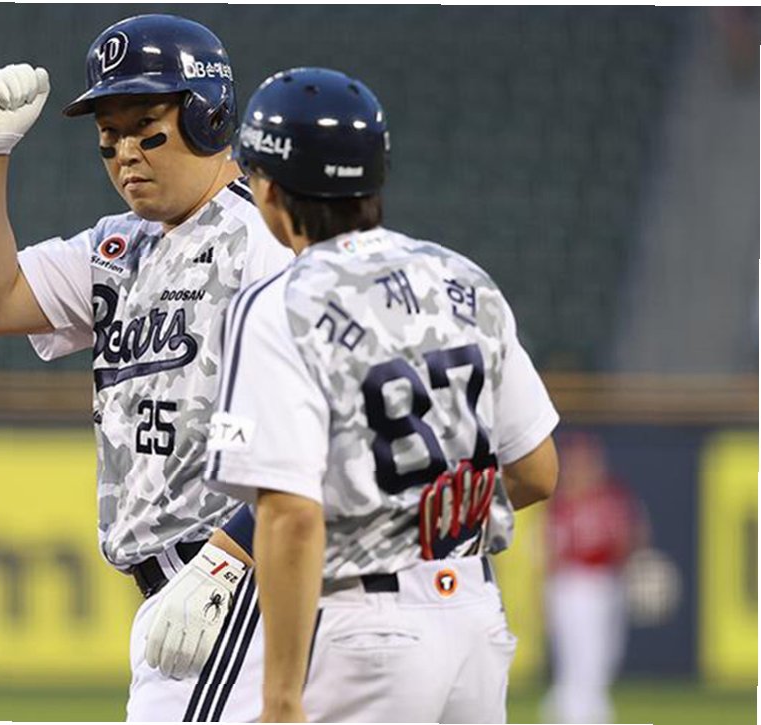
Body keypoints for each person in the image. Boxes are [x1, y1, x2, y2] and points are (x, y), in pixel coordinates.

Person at [0, 14, 293, 721]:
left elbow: (320, 427)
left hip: (243, 579)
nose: (125, 153)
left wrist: (229, 560)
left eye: (145, 128)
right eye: (109, 137)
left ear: (207, 115)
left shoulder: (264, 238)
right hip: (182, 591)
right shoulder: (118, 247)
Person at [204, 67, 560, 723]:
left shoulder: (281, 303)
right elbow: (538, 470)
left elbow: (289, 514)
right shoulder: (463, 279)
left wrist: (280, 698)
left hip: (365, 625)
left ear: (268, 188)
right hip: (474, 617)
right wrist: (425, 520)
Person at [542, 431, 646, 724]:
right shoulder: (562, 503)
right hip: (572, 583)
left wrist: (631, 565)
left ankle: (580, 707)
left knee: (606, 654)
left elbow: (633, 533)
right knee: (578, 655)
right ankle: (578, 712)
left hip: (606, 580)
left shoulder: (612, 497)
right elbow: (550, 550)